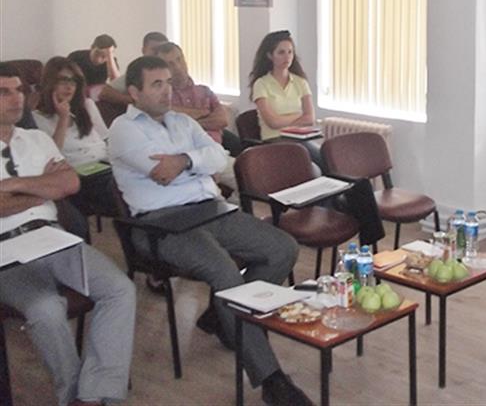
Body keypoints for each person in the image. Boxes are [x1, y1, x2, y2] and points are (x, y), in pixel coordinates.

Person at [108, 56, 311, 405]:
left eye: (168, 82)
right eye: (156, 84)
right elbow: (160, 172)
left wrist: (185, 160)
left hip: (210, 210)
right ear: (134, 92)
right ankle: (272, 380)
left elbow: (219, 157)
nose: (167, 91)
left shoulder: (182, 122)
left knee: (282, 248)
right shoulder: (123, 130)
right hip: (161, 224)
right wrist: (195, 162)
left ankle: (221, 314)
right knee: (225, 273)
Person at [0, 62, 136, 406]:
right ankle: (74, 395)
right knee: (46, 309)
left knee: (120, 290)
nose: (16, 99)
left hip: (52, 237)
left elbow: (70, 183)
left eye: (19, 90)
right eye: (4, 92)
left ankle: (92, 394)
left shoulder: (36, 139)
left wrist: (13, 186)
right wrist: (44, 188)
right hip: (5, 250)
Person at [33, 57, 116, 220]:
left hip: (106, 167)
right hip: (80, 177)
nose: (69, 86)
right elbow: (52, 155)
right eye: (63, 80)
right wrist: (63, 117)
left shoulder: (87, 106)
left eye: (73, 81)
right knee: (121, 190)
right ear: (50, 82)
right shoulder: (38, 118)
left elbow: (107, 139)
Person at [155, 41, 237, 188]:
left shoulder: (204, 91)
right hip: (186, 160)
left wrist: (186, 121)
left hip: (215, 153)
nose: (177, 67)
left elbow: (222, 120)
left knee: (249, 175)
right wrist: (203, 115)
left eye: (179, 59)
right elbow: (171, 129)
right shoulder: (162, 98)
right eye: (170, 64)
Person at [248, 30, 322, 166]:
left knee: (325, 159)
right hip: (274, 140)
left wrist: (282, 119)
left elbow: (310, 119)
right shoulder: (261, 84)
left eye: (290, 52)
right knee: (311, 168)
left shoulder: (300, 82)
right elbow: (272, 123)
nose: (287, 57)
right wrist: (298, 115)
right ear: (270, 55)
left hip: (299, 138)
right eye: (281, 52)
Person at [99, 31, 169, 106]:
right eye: (154, 50)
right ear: (144, 50)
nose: (158, 54)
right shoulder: (138, 71)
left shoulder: (172, 70)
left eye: (163, 50)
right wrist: (135, 100)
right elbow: (105, 93)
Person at [68, 34, 121, 100]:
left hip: (96, 94)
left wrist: (109, 55)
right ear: (92, 47)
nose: (99, 59)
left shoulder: (111, 62)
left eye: (104, 56)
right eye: (97, 53)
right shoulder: (76, 57)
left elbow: (116, 83)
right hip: (76, 92)